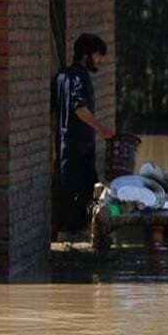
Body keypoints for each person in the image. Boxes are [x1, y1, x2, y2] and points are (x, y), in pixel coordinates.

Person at [52, 33, 115, 240]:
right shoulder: (80, 77)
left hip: (65, 150)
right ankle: (84, 240)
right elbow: (78, 108)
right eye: (98, 56)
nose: (100, 61)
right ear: (86, 55)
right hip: (78, 150)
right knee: (89, 197)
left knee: (69, 198)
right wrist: (101, 129)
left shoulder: (61, 77)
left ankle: (67, 239)